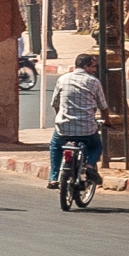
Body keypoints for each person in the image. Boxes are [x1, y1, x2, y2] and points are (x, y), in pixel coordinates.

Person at [47, 53, 106, 189]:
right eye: (93, 67)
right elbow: (103, 106)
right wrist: (108, 120)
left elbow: (55, 103)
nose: (95, 70)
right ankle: (90, 165)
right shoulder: (94, 82)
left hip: (63, 128)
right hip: (87, 129)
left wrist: (60, 117)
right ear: (85, 66)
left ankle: (53, 177)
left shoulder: (63, 79)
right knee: (97, 146)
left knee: (56, 146)